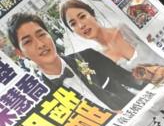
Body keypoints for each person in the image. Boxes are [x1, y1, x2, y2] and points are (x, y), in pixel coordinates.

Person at [8, 13, 143, 111]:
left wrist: (153, 74)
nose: (40, 44)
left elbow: (130, 79)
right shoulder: (41, 95)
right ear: (20, 53)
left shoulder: (89, 56)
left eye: (41, 34)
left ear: (49, 34)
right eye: (27, 41)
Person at [59, 0, 164, 74]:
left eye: (82, 16)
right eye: (73, 24)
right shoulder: (99, 58)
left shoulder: (127, 28)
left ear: (93, 15)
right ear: (72, 31)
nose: (81, 25)